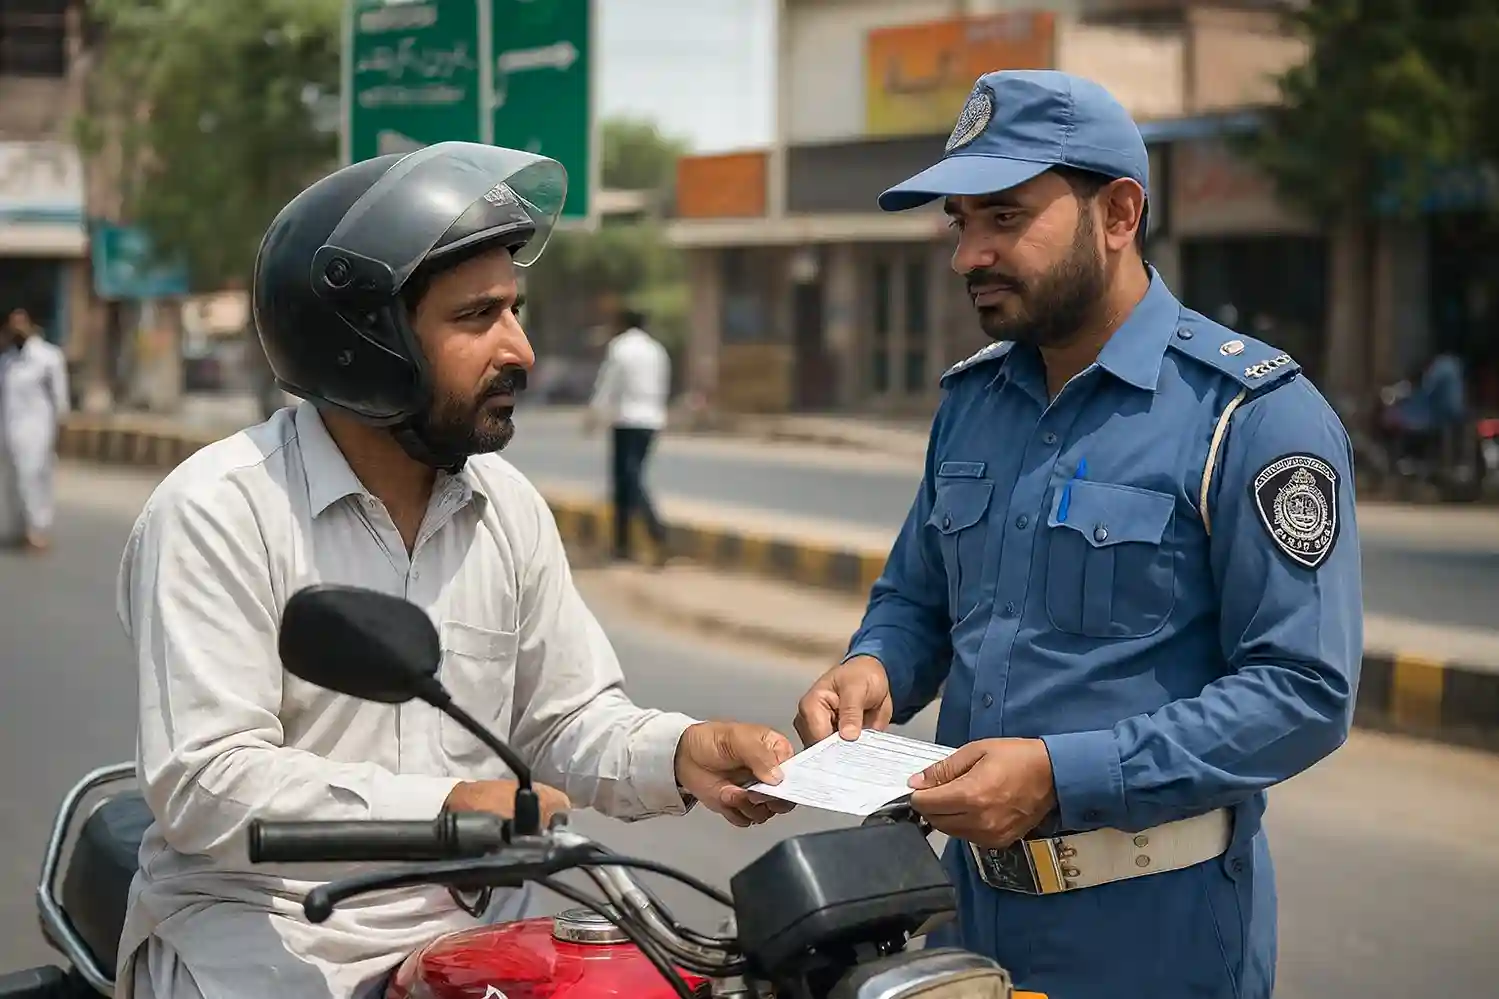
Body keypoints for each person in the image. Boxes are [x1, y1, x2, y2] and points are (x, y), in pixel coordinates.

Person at [116, 142, 796, 999]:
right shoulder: (218, 510)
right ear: (367, 342)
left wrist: (682, 751)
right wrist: (446, 806)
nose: (521, 351)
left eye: (515, 311)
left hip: (477, 929)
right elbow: (206, 780)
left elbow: (560, 721)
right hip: (268, 935)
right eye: (478, 318)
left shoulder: (504, 507)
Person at [793, 71, 1362, 999]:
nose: (967, 254)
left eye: (1005, 219)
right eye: (959, 223)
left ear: (1120, 213)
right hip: (965, 915)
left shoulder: (1251, 418)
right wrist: (874, 670)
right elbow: (917, 599)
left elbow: (1301, 693)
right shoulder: (973, 403)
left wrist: (1061, 776)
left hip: (1153, 936)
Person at [586, 308, 671, 563]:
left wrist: (595, 414)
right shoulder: (657, 350)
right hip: (652, 420)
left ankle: (655, 531)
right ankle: (622, 545)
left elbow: (608, 384)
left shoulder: (620, 347)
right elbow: (662, 385)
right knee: (628, 480)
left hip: (626, 420)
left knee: (628, 480)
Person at [0, 307, 69, 552]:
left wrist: (61, 431)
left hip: (37, 430)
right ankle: (20, 529)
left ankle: (38, 529)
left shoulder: (48, 357)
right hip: (8, 429)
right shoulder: (7, 360)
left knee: (33, 478)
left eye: (21, 322)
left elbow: (60, 399)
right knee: (12, 481)